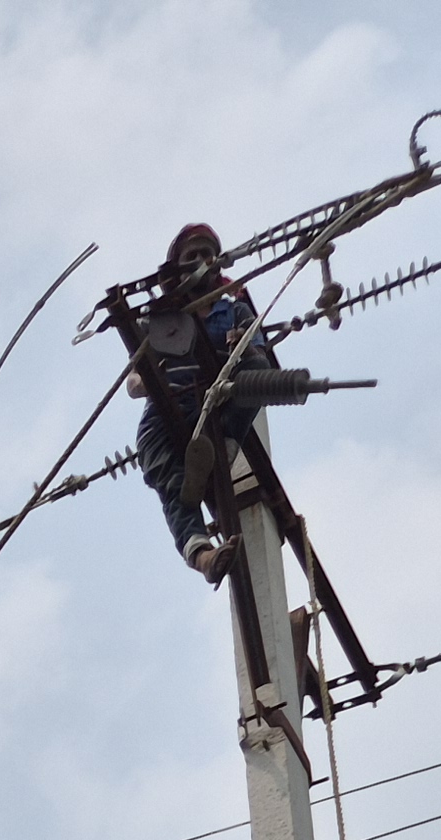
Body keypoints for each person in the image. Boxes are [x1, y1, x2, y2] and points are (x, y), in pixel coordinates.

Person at [102, 223, 267, 582]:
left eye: (207, 254)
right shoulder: (160, 320)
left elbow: (260, 355)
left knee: (259, 374)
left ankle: (223, 444)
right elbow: (133, 382)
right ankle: (202, 554)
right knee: (169, 475)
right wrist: (151, 382)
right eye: (191, 256)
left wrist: (241, 348)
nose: (200, 261)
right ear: (175, 267)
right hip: (168, 410)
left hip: (217, 402)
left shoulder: (234, 309)